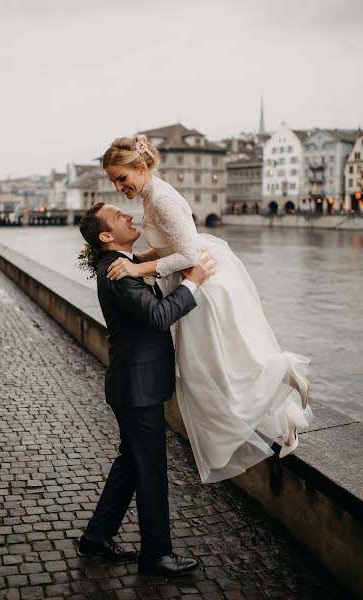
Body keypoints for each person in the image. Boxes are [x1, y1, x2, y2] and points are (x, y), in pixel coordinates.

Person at [94, 135, 314, 485]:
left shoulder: (161, 199)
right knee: (222, 366)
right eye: (114, 181)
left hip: (202, 287)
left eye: (121, 178)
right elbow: (171, 246)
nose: (119, 187)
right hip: (196, 282)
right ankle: (285, 417)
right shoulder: (153, 194)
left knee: (211, 374)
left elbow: (188, 257)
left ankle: (283, 372)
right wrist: (142, 257)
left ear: (139, 166)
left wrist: (137, 268)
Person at [77, 202, 216, 576]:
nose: (126, 214)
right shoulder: (118, 272)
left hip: (132, 384)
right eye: (117, 215)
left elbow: (153, 258)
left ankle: (96, 537)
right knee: (150, 470)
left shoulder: (125, 262)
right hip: (136, 388)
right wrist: (194, 282)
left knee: (131, 465)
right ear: (107, 236)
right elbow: (158, 317)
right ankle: (156, 555)